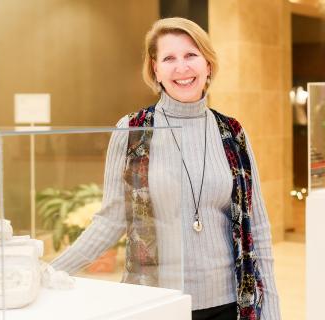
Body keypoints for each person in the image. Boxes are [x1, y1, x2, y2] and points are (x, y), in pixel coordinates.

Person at [52, 17, 281, 320]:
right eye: (169, 58)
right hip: (157, 303)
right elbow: (110, 221)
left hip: (230, 303)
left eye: (191, 55)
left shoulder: (232, 133)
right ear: (155, 69)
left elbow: (259, 229)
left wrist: (272, 310)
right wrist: (47, 272)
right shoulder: (134, 131)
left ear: (208, 65)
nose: (182, 68)